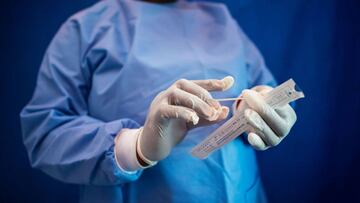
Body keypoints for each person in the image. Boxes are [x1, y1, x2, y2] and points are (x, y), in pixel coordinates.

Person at [20, 0, 297, 202]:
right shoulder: (86, 29)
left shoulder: (221, 20)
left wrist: (259, 109)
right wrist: (136, 146)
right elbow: (45, 132)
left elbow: (266, 89)